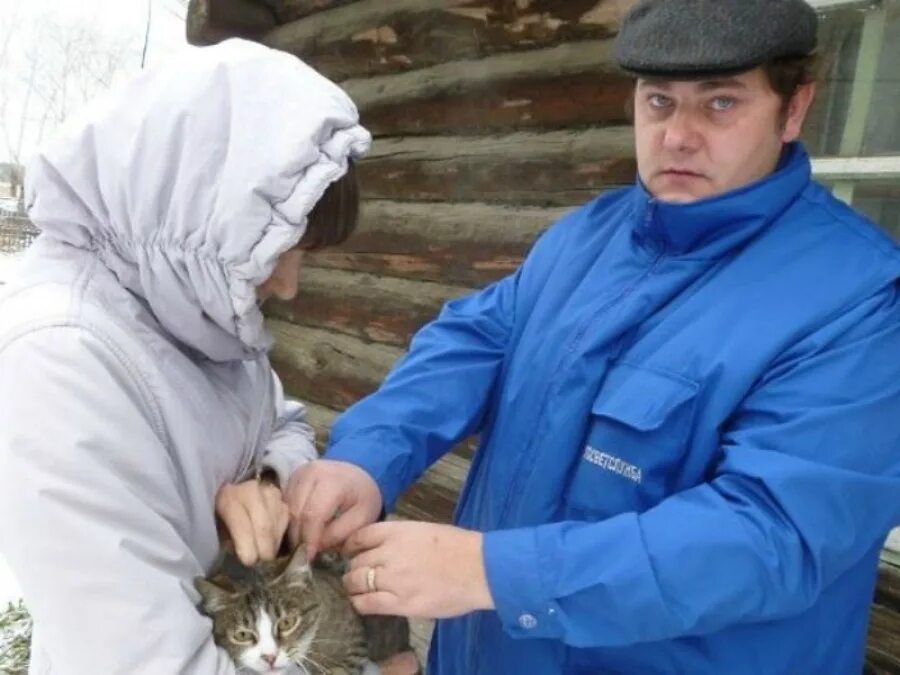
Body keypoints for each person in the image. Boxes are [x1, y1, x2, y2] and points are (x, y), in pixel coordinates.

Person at [286, 0, 900, 673]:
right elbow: (475, 339)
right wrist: (369, 456)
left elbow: (773, 535)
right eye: (659, 101)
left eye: (720, 104)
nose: (677, 136)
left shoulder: (855, 299)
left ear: (793, 109)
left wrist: (494, 572)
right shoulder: (590, 235)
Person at [0, 39, 417, 675]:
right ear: (206, 209)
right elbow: (150, 664)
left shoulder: (197, 309)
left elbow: (284, 422)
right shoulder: (61, 361)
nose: (288, 285)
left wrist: (267, 482)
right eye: (280, 246)